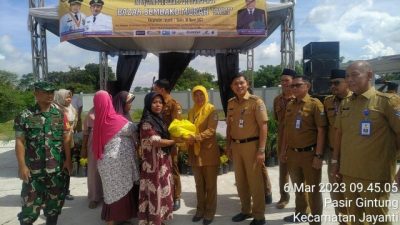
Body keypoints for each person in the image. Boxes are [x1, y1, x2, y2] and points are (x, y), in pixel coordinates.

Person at [332, 61, 400, 225]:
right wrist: (335, 162)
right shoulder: (346, 104)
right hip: (349, 172)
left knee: (378, 219)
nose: (349, 79)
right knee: (355, 219)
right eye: (347, 76)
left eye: (355, 74)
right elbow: (340, 134)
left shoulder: (387, 102)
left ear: (369, 75)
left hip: (375, 175)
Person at [14, 81, 72, 225]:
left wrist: (68, 160)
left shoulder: (60, 115)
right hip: (33, 171)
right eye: (45, 92)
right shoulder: (25, 115)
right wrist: (22, 166)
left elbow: (66, 139)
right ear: (36, 94)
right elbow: (20, 141)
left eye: (51, 92)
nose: (49, 95)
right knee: (29, 207)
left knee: (54, 205)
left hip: (56, 169)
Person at [280, 75, 327, 225]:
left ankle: (315, 220)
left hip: (309, 153)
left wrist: (319, 156)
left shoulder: (315, 104)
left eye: (297, 85)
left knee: (313, 190)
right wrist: (283, 150)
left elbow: (321, 131)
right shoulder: (291, 105)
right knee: (298, 188)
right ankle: (300, 213)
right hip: (293, 153)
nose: (293, 88)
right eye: (292, 85)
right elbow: (287, 130)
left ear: (307, 86)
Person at [226, 74, 268, 225]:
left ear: (247, 84)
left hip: (252, 146)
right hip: (236, 146)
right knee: (241, 181)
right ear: (232, 87)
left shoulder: (256, 102)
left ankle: (259, 216)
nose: (239, 86)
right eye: (235, 84)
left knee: (255, 181)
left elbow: (263, 126)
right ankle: (245, 210)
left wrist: (261, 150)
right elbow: (229, 127)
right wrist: (228, 145)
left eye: (241, 83)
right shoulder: (231, 103)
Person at [92, 90, 139, 225]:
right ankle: (112, 220)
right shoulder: (115, 119)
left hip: (106, 164)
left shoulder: (99, 121)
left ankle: (116, 219)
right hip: (118, 163)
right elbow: (133, 129)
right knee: (121, 191)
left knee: (111, 193)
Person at [138, 92, 176, 225]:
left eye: (160, 102)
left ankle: (158, 219)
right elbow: (156, 142)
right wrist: (174, 141)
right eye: (154, 102)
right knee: (154, 190)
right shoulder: (147, 122)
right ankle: (153, 220)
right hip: (152, 164)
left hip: (162, 161)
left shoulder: (158, 119)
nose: (158, 105)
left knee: (162, 189)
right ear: (149, 104)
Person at [186, 85, 220, 225]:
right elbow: (187, 128)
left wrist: (196, 138)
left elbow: (211, 130)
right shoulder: (191, 112)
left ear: (206, 95)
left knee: (210, 185)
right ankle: (200, 210)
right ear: (193, 97)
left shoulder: (212, 110)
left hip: (209, 153)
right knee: (199, 184)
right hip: (194, 153)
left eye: (201, 95)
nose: (199, 98)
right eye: (196, 95)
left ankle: (210, 212)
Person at [323, 69, 351, 225]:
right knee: (336, 192)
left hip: (352, 155)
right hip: (334, 154)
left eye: (337, 83)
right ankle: (343, 222)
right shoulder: (328, 101)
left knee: (354, 193)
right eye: (331, 83)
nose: (333, 86)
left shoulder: (355, 101)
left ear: (347, 82)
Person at [153, 79, 183, 211]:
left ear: (162, 89)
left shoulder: (173, 104)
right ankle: (165, 194)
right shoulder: (157, 103)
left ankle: (176, 197)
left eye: (156, 88)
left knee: (173, 168)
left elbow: (177, 125)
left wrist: (174, 143)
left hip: (170, 142)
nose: (154, 91)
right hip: (159, 142)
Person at [272, 68, 296, 209]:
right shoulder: (277, 100)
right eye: (282, 81)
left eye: (286, 80)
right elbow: (277, 120)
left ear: (293, 81)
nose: (284, 83)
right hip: (282, 139)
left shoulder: (299, 99)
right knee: (283, 171)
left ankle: (302, 201)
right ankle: (284, 197)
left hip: (297, 139)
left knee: (298, 173)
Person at [54, 89, 78, 201]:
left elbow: (74, 124)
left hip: (69, 141)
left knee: (67, 164)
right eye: (66, 97)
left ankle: (65, 190)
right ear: (60, 97)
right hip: (57, 143)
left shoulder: (72, 109)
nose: (69, 99)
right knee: (56, 167)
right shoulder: (54, 109)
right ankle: (56, 191)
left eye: (70, 97)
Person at [80, 107, 103, 209]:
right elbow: (85, 132)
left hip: (108, 144)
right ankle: (94, 197)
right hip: (93, 144)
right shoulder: (90, 114)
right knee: (93, 171)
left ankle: (108, 196)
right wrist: (83, 147)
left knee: (107, 171)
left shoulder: (112, 112)